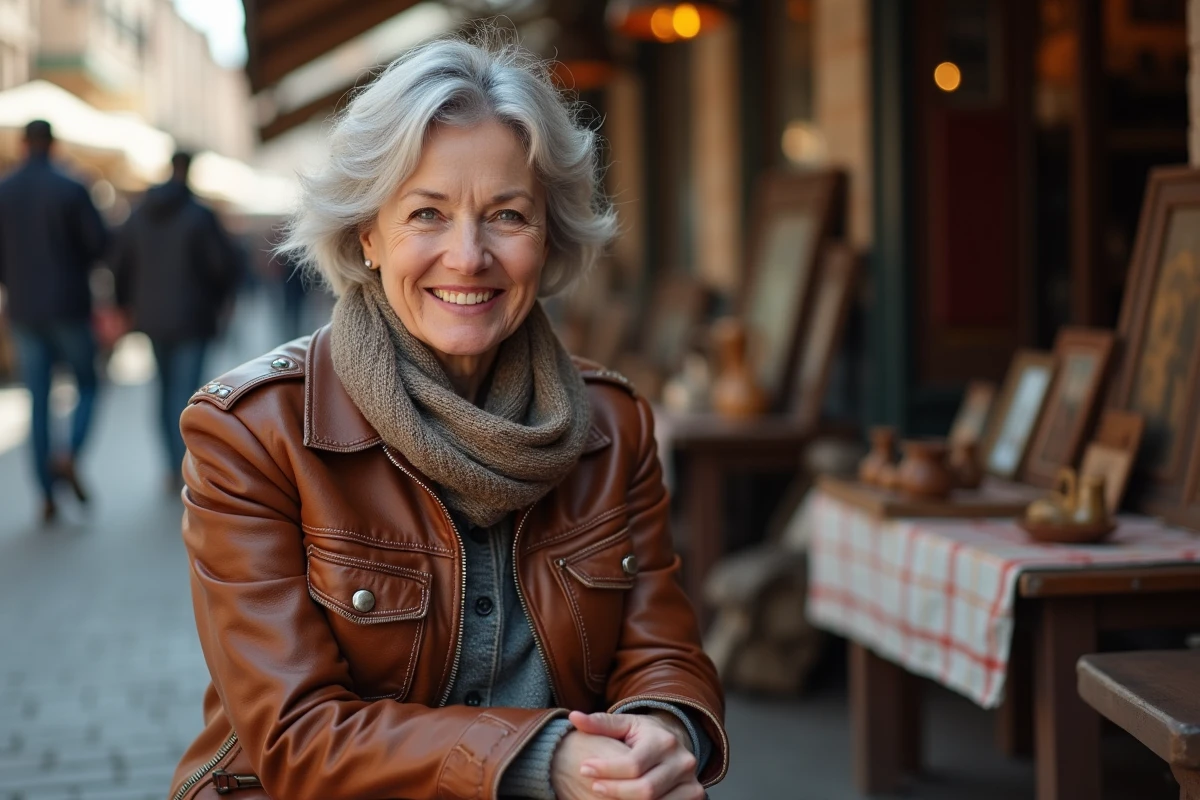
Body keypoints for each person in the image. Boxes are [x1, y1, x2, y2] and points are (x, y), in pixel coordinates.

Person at [170, 36, 727, 800]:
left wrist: (664, 731)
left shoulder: (613, 423)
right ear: (368, 235)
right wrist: (540, 759)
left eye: (507, 215)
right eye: (427, 213)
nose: (468, 257)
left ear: (549, 235)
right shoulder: (250, 434)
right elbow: (294, 736)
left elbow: (662, 648)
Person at [0, 120, 108, 524]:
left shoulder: (5, 190)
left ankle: (45, 494)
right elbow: (99, 245)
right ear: (54, 144)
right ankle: (69, 453)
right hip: (69, 306)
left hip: (25, 309)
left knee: (38, 399)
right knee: (89, 384)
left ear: (23, 144)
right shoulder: (72, 186)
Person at [113, 151, 241, 490]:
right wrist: (221, 296)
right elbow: (223, 265)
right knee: (187, 394)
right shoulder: (200, 215)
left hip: (152, 317)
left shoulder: (139, 214)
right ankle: (188, 464)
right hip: (194, 317)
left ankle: (172, 465)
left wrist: (123, 304)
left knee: (165, 390)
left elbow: (120, 262)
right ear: (190, 171)